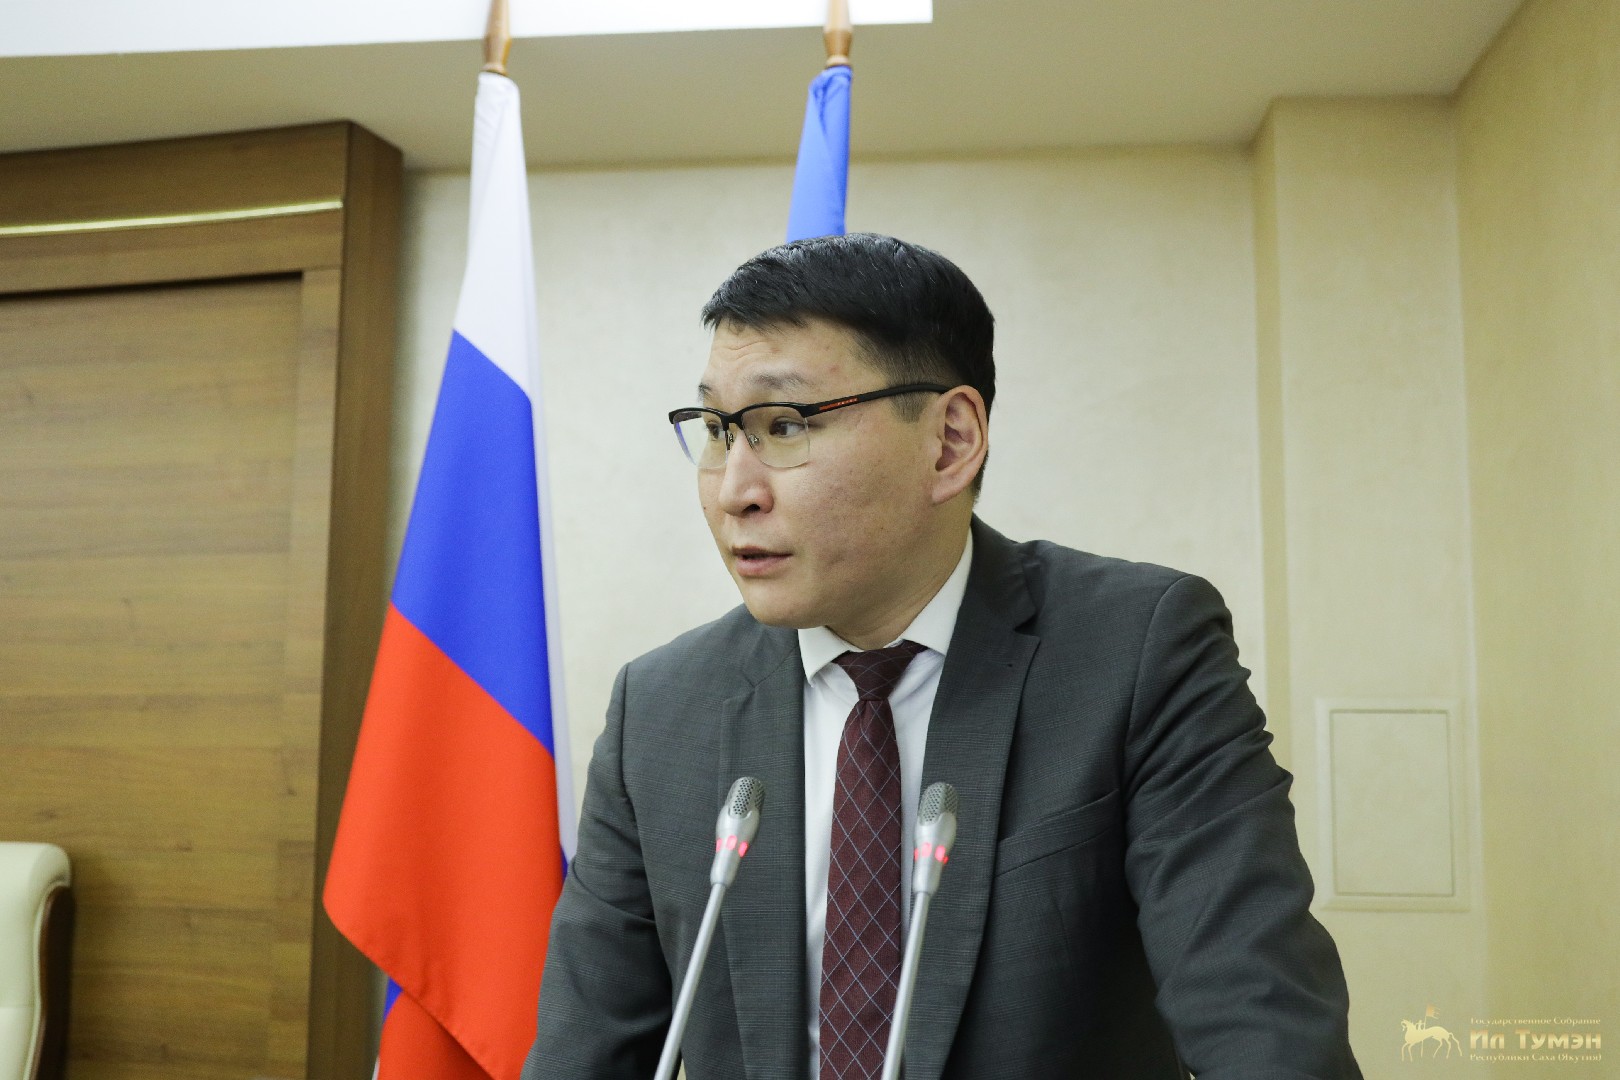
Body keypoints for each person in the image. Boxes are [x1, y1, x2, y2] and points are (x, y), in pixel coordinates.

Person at [523, 233, 1362, 1079]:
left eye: (785, 425)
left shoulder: (1137, 651)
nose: (735, 490)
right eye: (716, 430)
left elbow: (1263, 1024)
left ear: (950, 441)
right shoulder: (660, 710)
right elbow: (583, 1053)